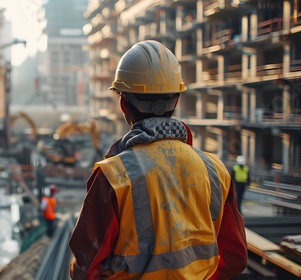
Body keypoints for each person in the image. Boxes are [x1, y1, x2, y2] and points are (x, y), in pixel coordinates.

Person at [68, 40, 247, 279]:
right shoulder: (215, 170)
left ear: (123, 104)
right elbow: (236, 257)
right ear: (176, 101)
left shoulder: (113, 176)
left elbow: (84, 268)